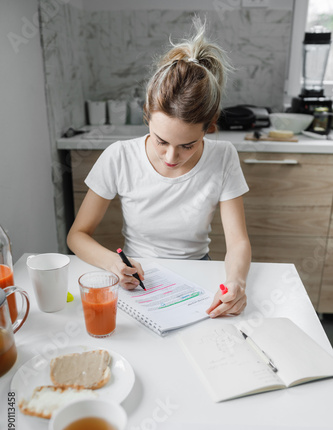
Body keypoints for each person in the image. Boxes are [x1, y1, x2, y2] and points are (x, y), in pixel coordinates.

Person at [67, 17, 251, 318]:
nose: (170, 156)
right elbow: (77, 235)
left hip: (197, 272)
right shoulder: (119, 156)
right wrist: (115, 264)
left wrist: (236, 282)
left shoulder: (223, 157)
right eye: (160, 141)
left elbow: (238, 241)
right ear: (146, 116)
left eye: (188, 146)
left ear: (210, 127)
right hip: (136, 276)